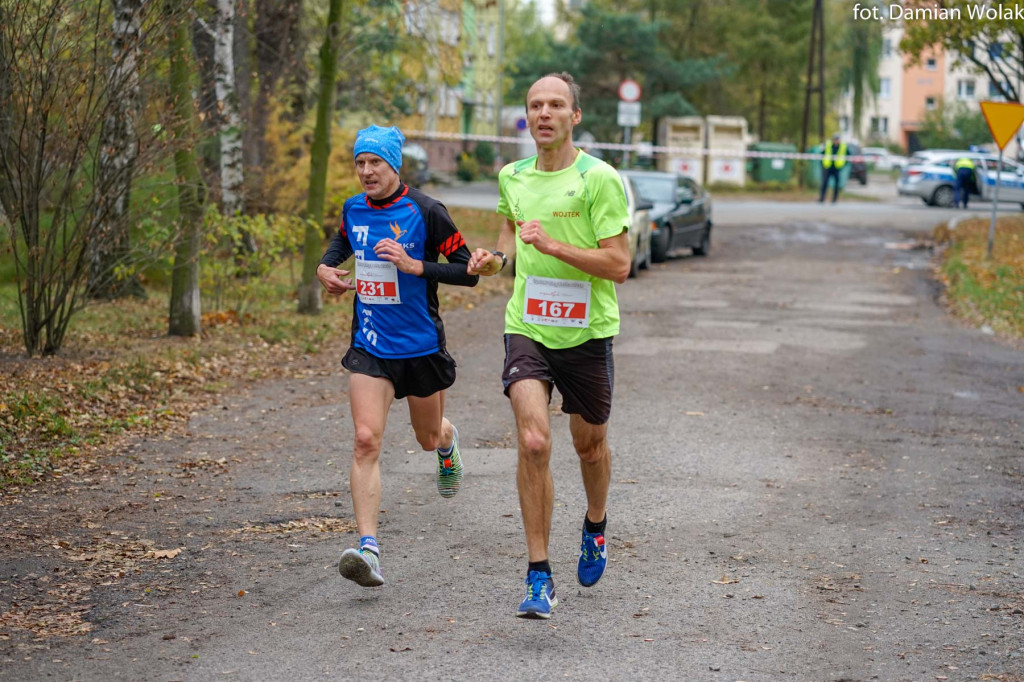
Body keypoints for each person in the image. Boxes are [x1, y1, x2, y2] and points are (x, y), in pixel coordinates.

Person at [466, 73, 631, 619]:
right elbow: (511, 245)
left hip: (587, 332)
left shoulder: (600, 180)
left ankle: (596, 522)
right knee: (534, 442)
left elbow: (620, 265)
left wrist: (554, 244)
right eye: (535, 105)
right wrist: (494, 261)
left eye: (555, 105)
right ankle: (539, 575)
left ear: (574, 116)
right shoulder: (511, 176)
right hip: (528, 325)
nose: (544, 113)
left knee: (590, 446)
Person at [316, 125, 479, 588]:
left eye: (376, 164)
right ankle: (369, 551)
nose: (366, 172)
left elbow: (468, 272)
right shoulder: (355, 208)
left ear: (394, 165)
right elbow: (339, 244)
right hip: (371, 345)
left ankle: (447, 443)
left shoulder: (426, 212)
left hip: (421, 347)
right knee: (366, 439)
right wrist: (325, 269)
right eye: (360, 163)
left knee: (427, 437)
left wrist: (414, 266)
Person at [819, 133, 847, 203]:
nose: (836, 141)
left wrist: (843, 165)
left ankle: (834, 199)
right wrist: (822, 164)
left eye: (837, 139)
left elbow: (848, 156)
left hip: (836, 168)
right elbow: (822, 153)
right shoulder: (828, 145)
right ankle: (822, 198)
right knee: (824, 182)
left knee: (836, 184)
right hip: (828, 167)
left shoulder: (843, 147)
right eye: (835, 139)